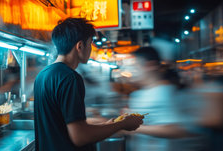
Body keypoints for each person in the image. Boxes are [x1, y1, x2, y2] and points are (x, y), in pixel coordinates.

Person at [34, 18, 143, 151]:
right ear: (80, 46)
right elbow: (80, 137)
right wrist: (122, 125)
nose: (91, 48)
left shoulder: (42, 75)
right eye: (90, 43)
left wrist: (107, 125)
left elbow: (63, 124)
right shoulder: (70, 78)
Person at [123, 47, 196, 151]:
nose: (131, 71)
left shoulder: (166, 92)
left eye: (135, 66)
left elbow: (177, 130)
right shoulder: (137, 94)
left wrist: (133, 128)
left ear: (150, 65)